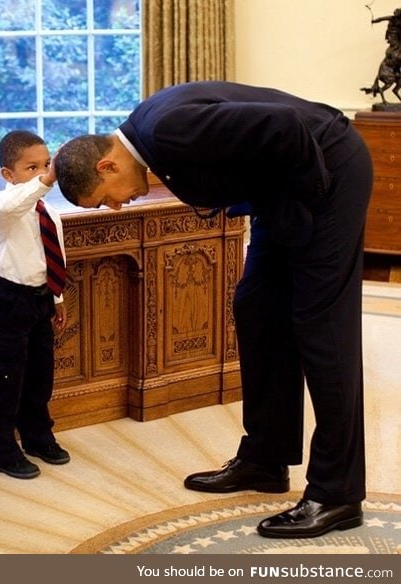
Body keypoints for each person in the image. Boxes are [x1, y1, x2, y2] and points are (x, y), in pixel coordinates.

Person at [53, 81, 374, 538]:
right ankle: (265, 459)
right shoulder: (151, 135)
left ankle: (337, 495)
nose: (116, 204)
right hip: (286, 190)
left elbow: (286, 125)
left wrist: (310, 203)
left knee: (323, 330)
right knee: (257, 308)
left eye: (105, 197)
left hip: (327, 174)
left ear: (107, 165)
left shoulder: (167, 130)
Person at [0, 130, 70, 479]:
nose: (41, 172)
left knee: (39, 374)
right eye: (31, 167)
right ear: (8, 174)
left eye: (45, 165)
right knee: (5, 377)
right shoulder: (4, 207)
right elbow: (13, 203)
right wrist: (47, 179)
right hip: (9, 300)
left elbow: (54, 254)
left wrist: (57, 297)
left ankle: (37, 436)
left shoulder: (48, 211)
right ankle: (2, 450)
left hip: (40, 299)